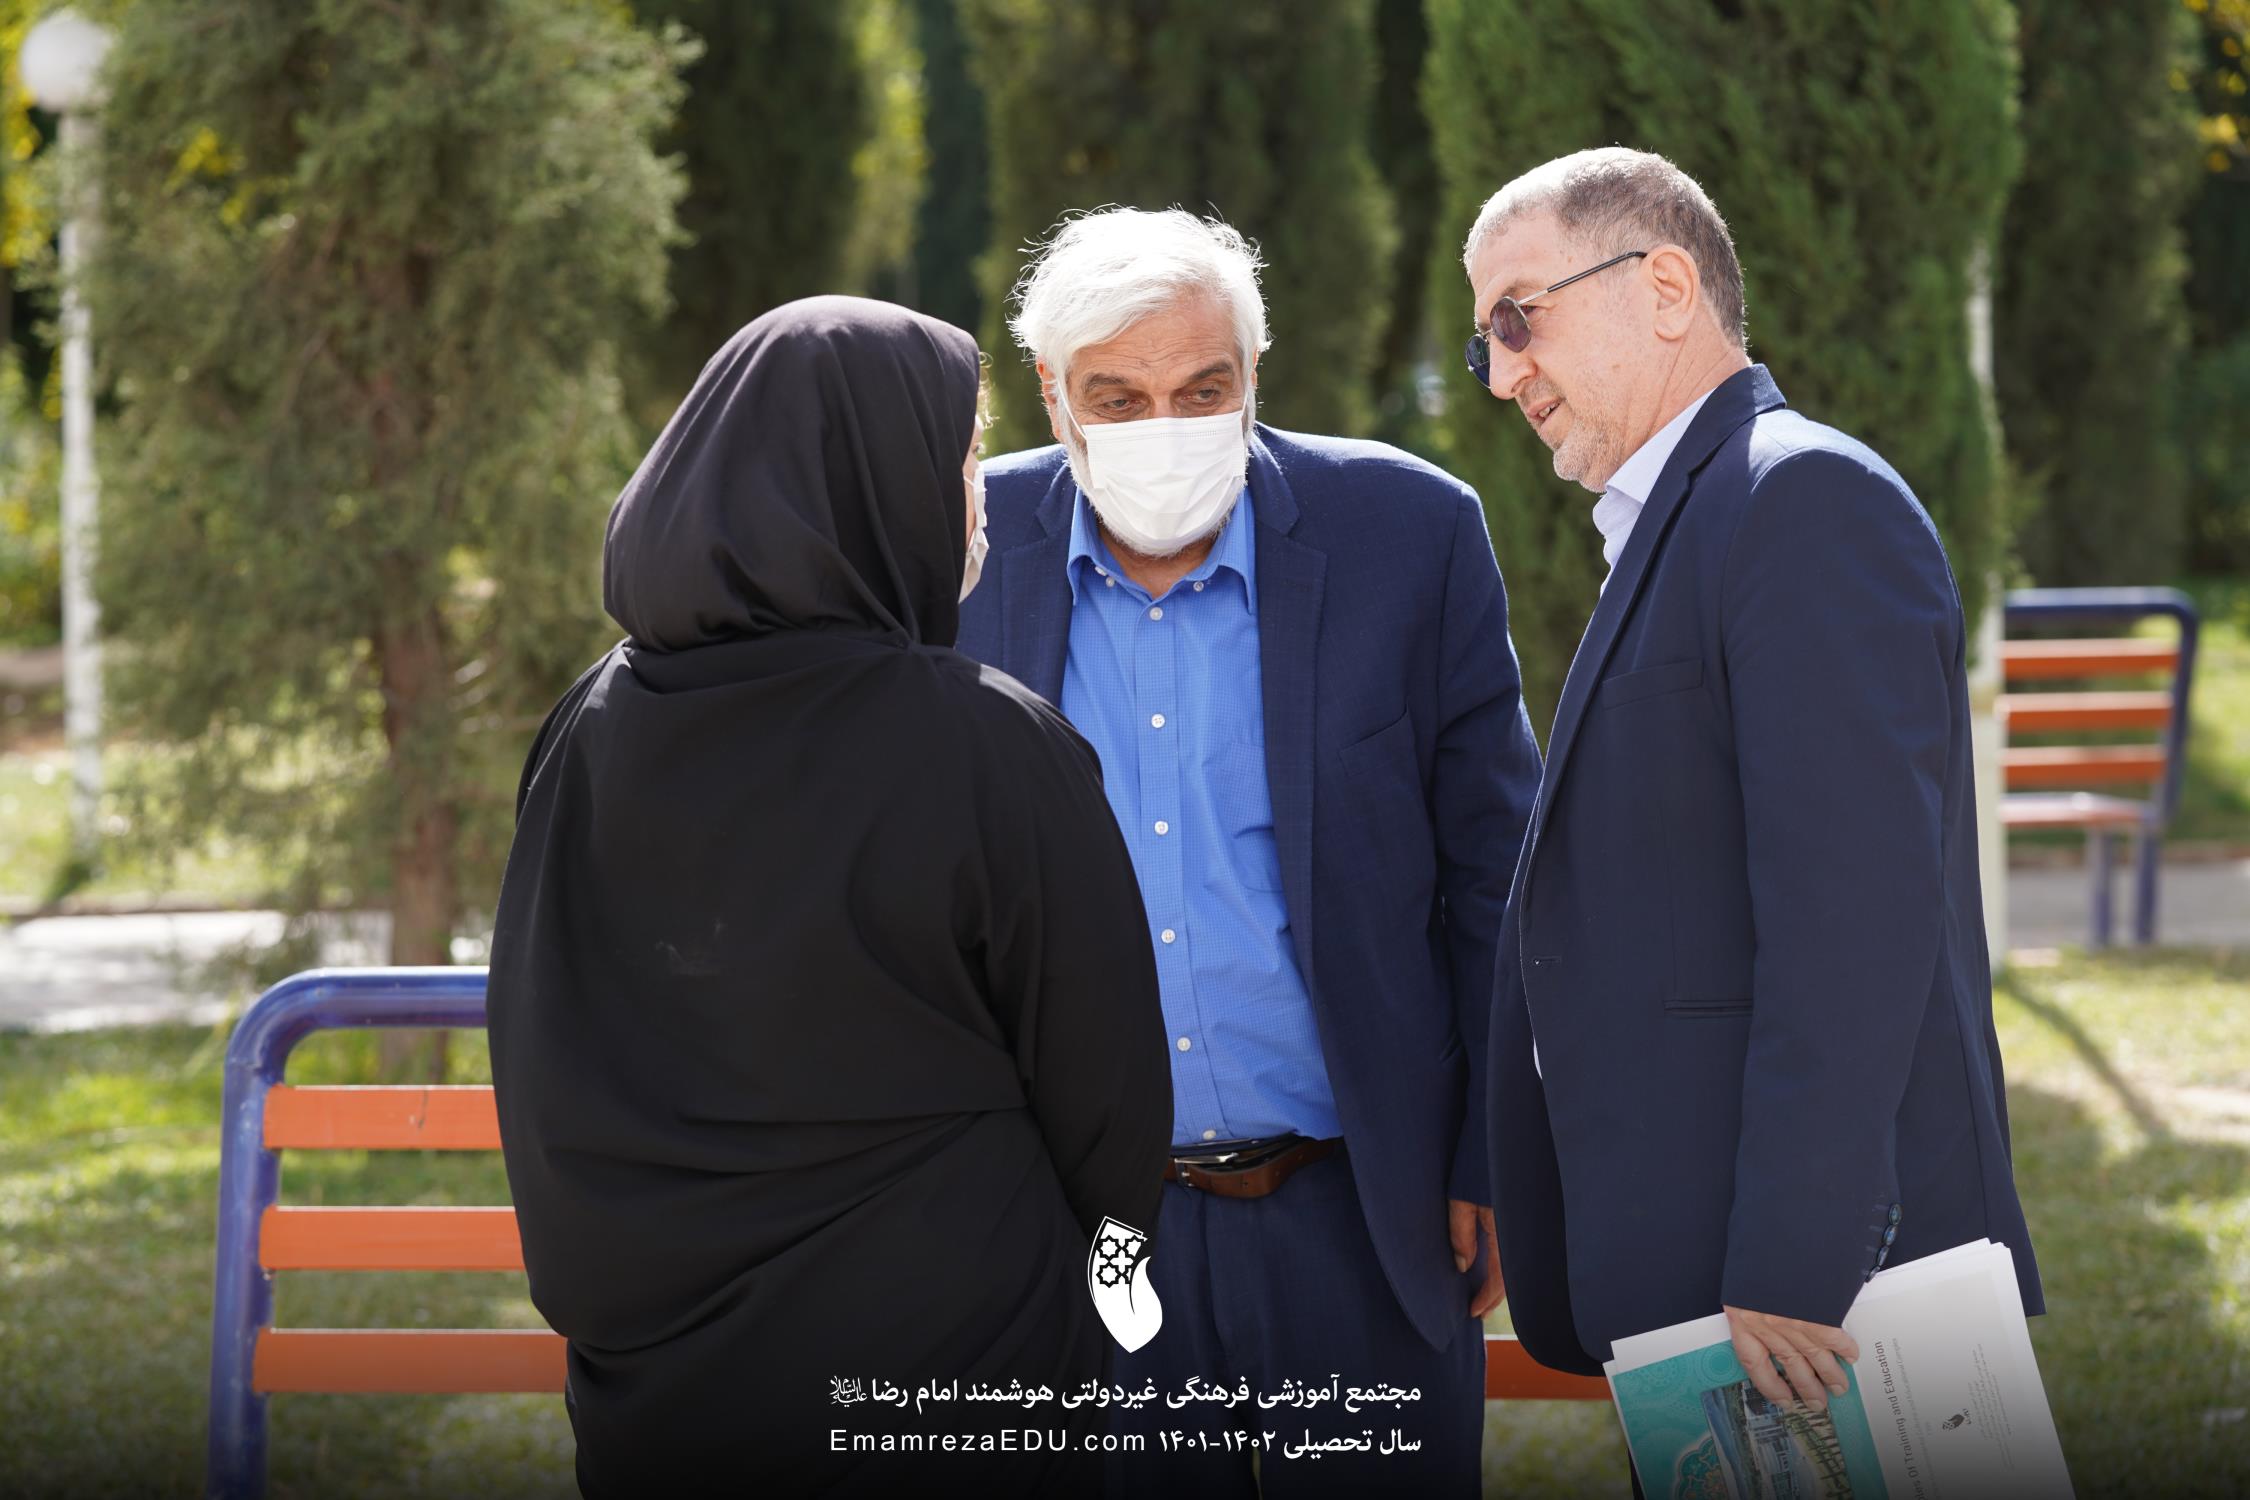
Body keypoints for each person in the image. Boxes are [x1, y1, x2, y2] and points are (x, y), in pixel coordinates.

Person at [486, 295, 1173, 1497]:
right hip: (959, 1364)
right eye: (960, 459)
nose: (978, 496)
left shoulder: (585, 728)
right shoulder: (987, 743)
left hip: (665, 1383)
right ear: (870, 482)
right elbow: (1107, 1095)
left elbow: (540, 1042)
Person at [956, 208, 1541, 1495]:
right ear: (1052, 393)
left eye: (1203, 389)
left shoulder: (1408, 531)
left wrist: (1490, 1154)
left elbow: (1498, 870)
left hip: (1363, 1212)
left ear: (1254, 375)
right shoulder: (962, 555)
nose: (1163, 425)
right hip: (1086, 1233)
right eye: (1118, 396)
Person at [1462, 149, 2042, 1425]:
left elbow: (1855, 926)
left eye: (1518, 318)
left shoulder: (1801, 501)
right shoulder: (1695, 514)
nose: (1502, 374)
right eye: (1484, 341)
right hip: (1716, 1287)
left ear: (1666, 287)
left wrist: (1794, 1260)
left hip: (1816, 1306)